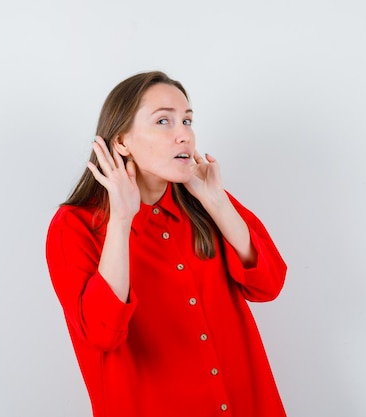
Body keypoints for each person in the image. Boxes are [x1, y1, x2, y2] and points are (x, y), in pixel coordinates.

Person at [45, 71, 287, 417]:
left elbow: (269, 285)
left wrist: (217, 203)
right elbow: (102, 335)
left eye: (187, 121)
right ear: (122, 142)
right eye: (164, 121)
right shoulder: (75, 226)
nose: (184, 135)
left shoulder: (208, 201)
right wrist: (122, 221)